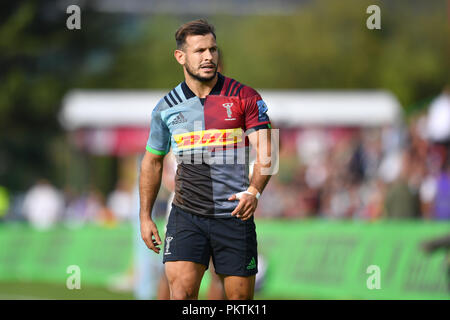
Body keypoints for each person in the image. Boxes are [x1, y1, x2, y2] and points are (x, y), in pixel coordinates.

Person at [139, 19, 274, 300]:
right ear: (180, 56)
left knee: (238, 301)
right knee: (183, 294)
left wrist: (254, 191)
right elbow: (151, 162)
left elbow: (267, 152)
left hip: (234, 215)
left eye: (212, 49)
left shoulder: (245, 97)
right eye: (200, 51)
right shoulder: (165, 108)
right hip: (187, 215)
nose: (208, 57)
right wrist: (145, 216)